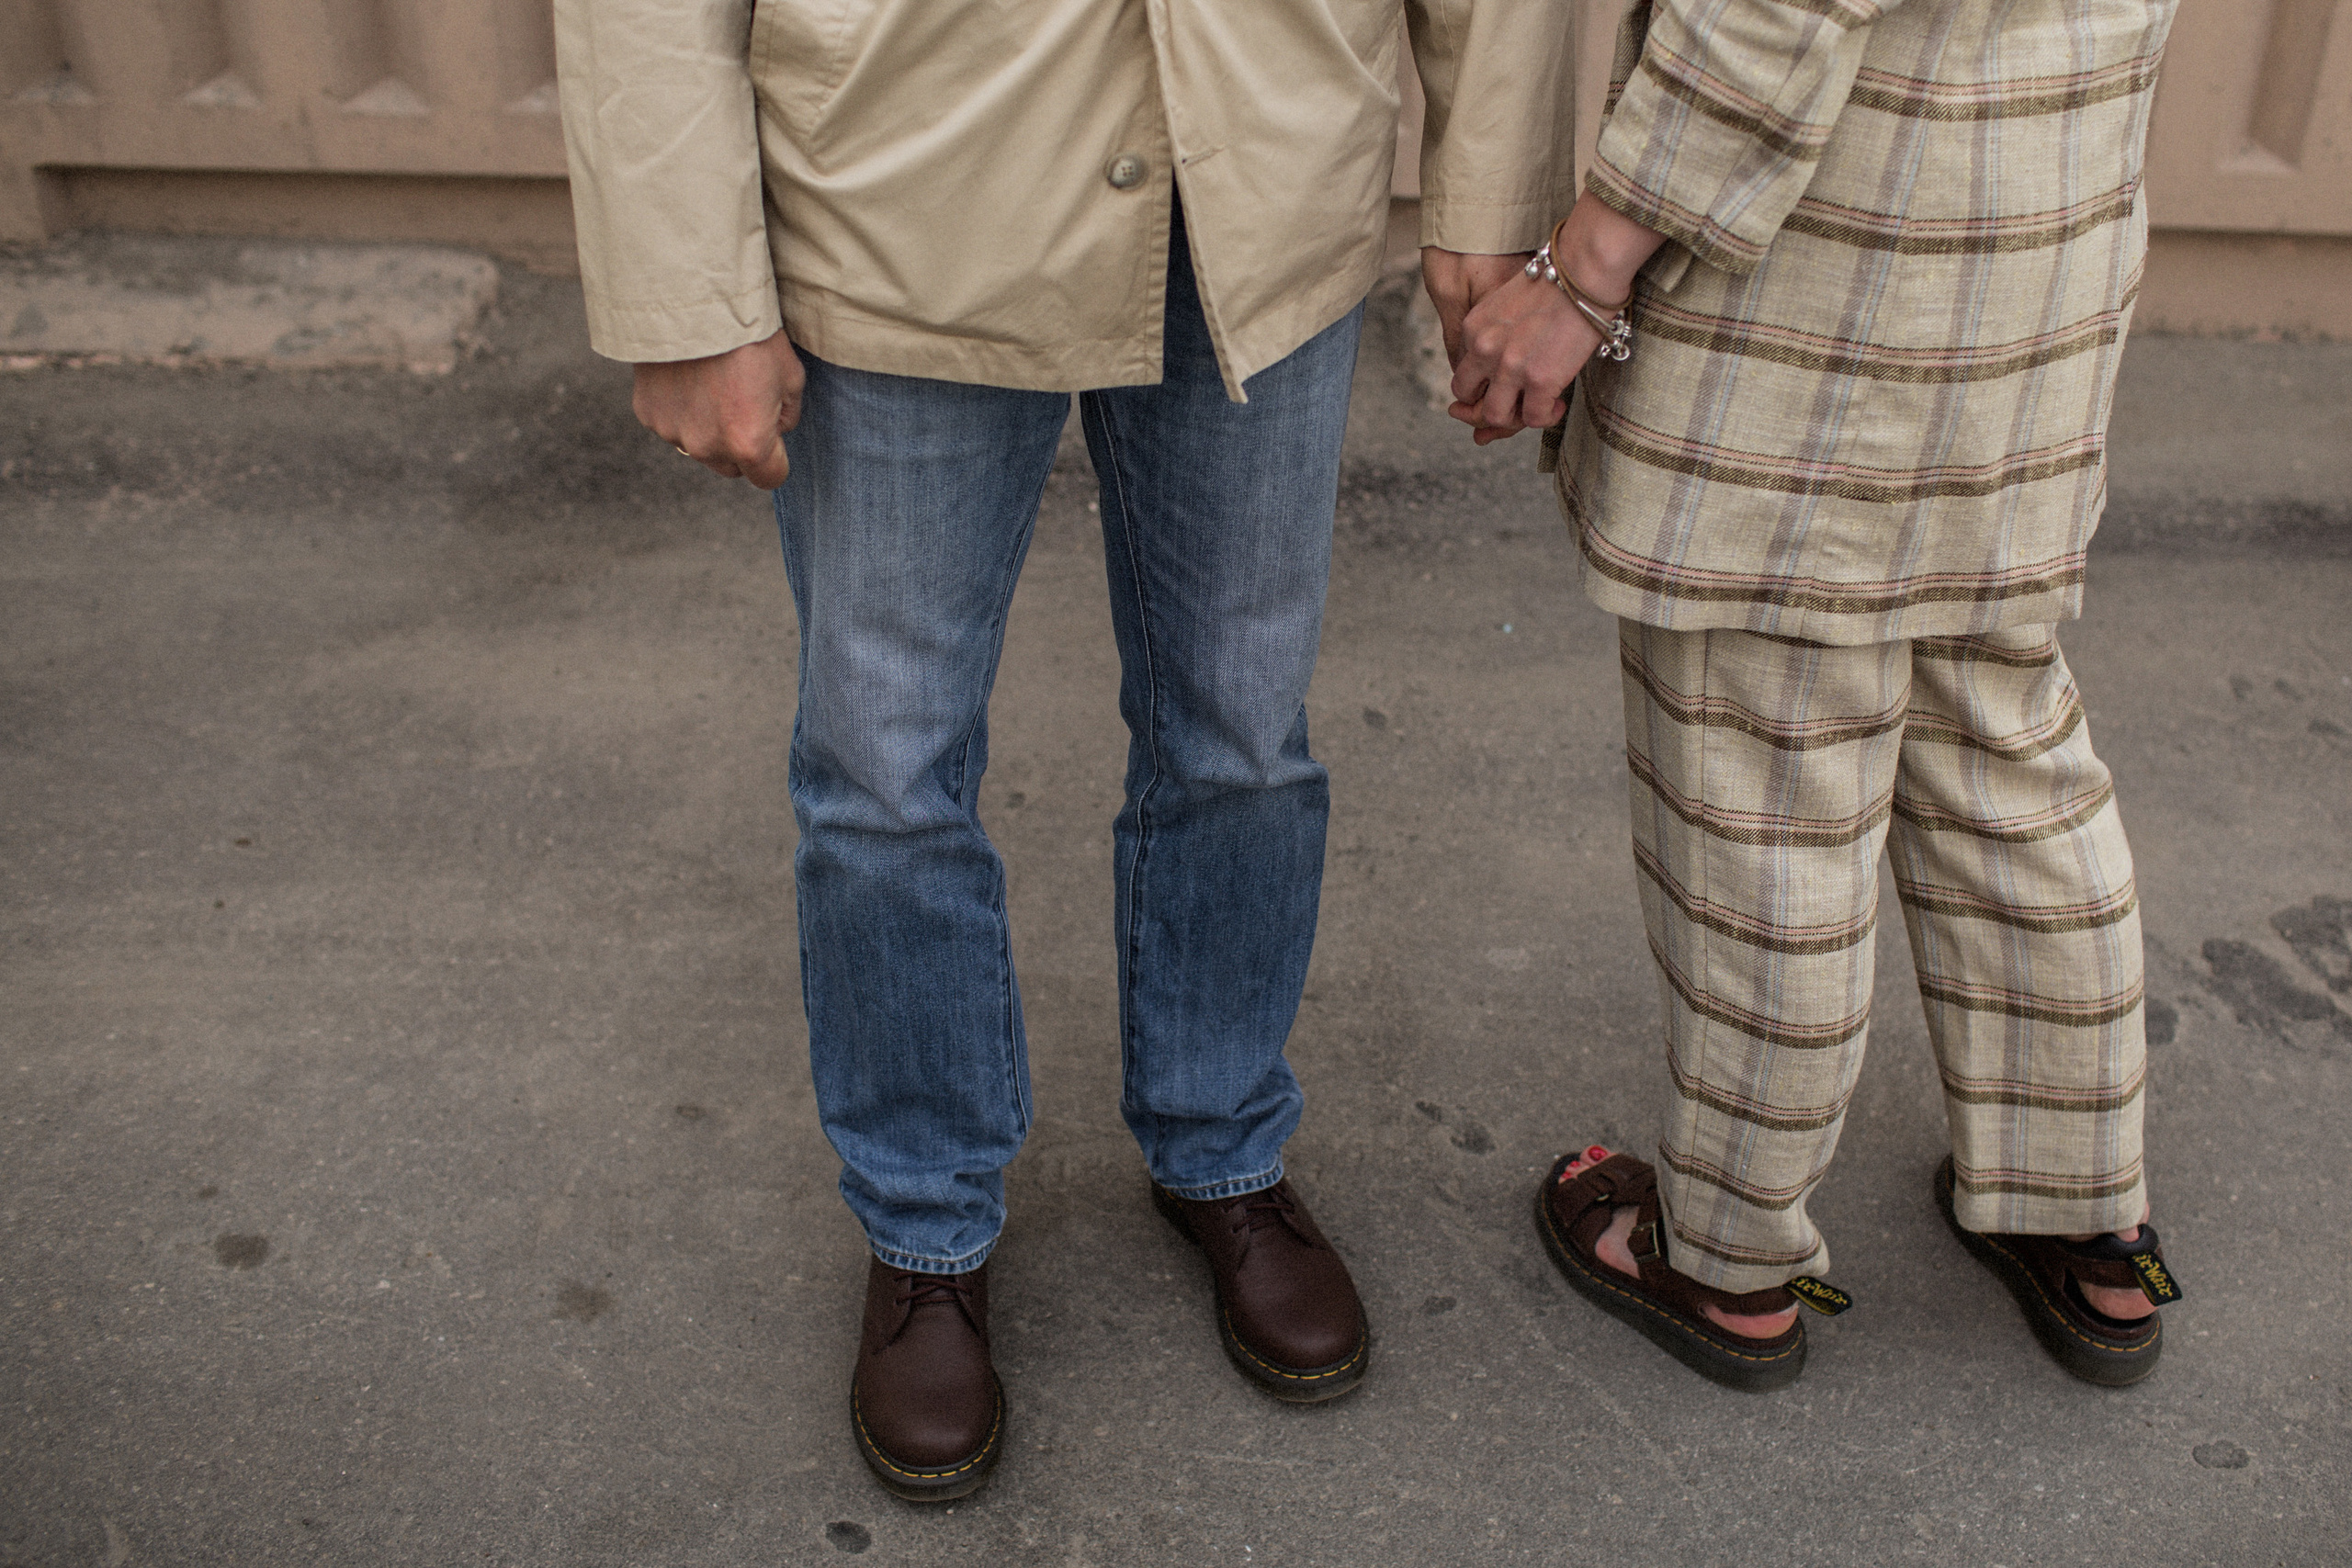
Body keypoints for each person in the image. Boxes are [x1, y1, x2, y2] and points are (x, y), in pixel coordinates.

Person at [553, 0, 1577, 1496]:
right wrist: (683, 287)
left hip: (1259, 161)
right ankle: (924, 1219)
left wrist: (1492, 193)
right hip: (902, 180)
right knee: (884, 775)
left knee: (1240, 735)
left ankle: (1223, 1141)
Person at [1446, 0, 2185, 1391]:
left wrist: (1588, 265)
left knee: (1767, 769)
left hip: (1833, 269)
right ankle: (2084, 1219)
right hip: (2042, 224)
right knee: (1998, 734)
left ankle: (1729, 1262)